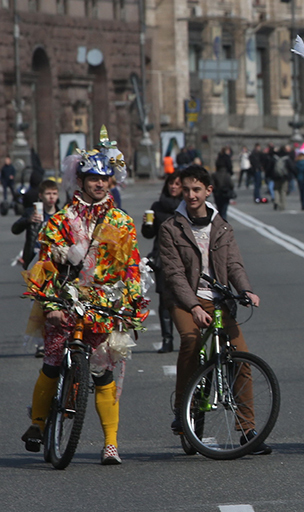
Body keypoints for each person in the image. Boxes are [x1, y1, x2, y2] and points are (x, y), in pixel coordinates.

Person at [20, 132, 146, 464]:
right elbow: (44, 265)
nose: (100, 184)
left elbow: (131, 266)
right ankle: (37, 423)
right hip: (63, 301)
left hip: (103, 303)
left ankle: (111, 443)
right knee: (51, 363)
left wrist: (133, 304)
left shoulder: (122, 222)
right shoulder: (61, 220)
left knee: (103, 372)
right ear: (81, 180)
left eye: (105, 179)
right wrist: (49, 305)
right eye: (94, 179)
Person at [156, 165, 271, 454]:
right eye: (186, 189)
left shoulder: (221, 226)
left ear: (208, 191)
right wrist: (193, 306)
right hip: (185, 301)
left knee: (241, 357)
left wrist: (246, 290)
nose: (191, 195)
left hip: (218, 299)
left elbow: (233, 264)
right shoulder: (171, 227)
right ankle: (183, 411)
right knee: (191, 341)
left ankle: (247, 431)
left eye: (197, 189)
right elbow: (173, 274)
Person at [141, 173, 183, 354]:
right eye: (171, 183)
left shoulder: (186, 206)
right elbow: (149, 235)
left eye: (177, 184)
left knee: (185, 298)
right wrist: (147, 225)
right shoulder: (157, 206)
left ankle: (189, 338)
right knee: (165, 300)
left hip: (183, 258)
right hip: (163, 257)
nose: (173, 187)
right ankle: (167, 339)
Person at [12, 179, 60, 269]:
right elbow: (15, 229)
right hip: (34, 258)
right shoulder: (32, 212)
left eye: (54, 194)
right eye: (48, 194)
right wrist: (28, 220)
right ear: (41, 196)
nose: (51, 197)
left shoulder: (61, 215)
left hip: (54, 259)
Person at [271, 144, 293, 211]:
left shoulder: (275, 157)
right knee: (283, 191)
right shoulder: (286, 158)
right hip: (284, 177)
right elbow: (291, 167)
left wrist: (269, 175)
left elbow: (270, 167)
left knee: (276, 189)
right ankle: (282, 205)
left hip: (276, 176)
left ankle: (276, 201)